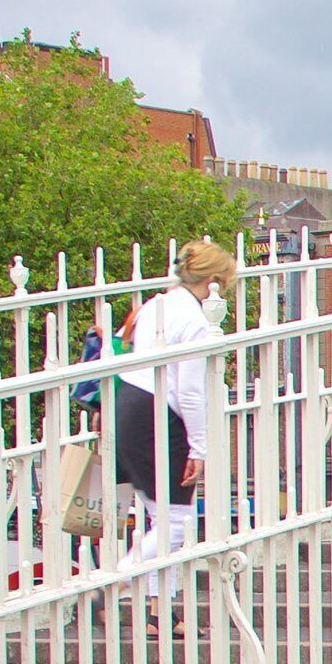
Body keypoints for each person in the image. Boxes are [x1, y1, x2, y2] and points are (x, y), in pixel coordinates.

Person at [114, 236, 237, 629]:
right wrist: (199, 447)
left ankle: (160, 613)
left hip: (127, 402)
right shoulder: (196, 322)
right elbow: (190, 391)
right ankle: (112, 582)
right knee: (178, 522)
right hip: (158, 414)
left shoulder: (156, 305)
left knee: (160, 517)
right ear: (214, 281)